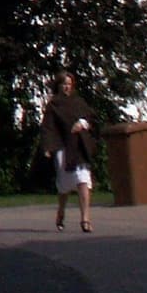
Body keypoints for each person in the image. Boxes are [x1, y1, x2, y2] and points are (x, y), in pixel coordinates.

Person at [40, 71, 98, 233]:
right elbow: (48, 127)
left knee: (83, 180)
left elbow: (92, 118)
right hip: (62, 148)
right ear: (58, 86)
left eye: (69, 84)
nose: (67, 87)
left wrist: (83, 123)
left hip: (79, 147)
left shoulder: (79, 102)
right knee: (64, 186)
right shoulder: (53, 105)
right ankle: (61, 212)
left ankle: (85, 219)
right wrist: (47, 147)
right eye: (64, 84)